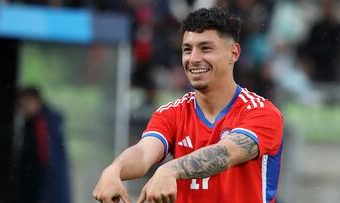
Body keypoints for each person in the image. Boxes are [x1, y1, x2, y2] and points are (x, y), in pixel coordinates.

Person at [93, 7, 283, 203]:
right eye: (187, 49)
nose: (193, 59)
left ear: (233, 53)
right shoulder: (172, 113)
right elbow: (143, 153)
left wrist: (170, 169)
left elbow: (225, 154)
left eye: (205, 48)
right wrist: (115, 170)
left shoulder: (262, 113)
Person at [15, 87, 70, 203]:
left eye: (24, 104)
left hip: (46, 193)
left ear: (35, 101)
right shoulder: (38, 122)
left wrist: (45, 196)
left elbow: (47, 160)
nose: (22, 109)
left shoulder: (42, 124)